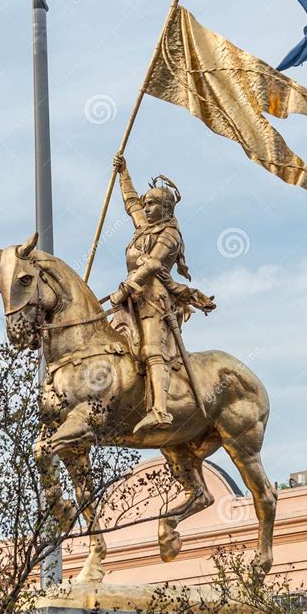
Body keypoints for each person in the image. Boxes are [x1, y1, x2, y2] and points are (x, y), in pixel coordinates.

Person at [110, 153, 215, 433]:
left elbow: (154, 263)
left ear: (167, 208)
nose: (146, 208)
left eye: (153, 203)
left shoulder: (170, 233)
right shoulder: (143, 227)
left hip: (155, 299)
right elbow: (130, 201)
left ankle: (160, 410)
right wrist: (123, 172)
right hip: (132, 296)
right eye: (146, 203)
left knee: (152, 349)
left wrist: (128, 286)